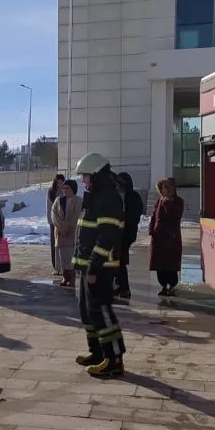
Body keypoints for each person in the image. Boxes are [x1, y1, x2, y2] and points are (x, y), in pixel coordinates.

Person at [72, 152, 126, 377]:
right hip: (88, 266)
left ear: (95, 174)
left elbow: (107, 237)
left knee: (102, 311)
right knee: (88, 311)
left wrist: (93, 267)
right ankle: (97, 352)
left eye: (85, 176)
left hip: (100, 268)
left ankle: (113, 359)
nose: (83, 181)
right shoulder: (96, 195)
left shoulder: (108, 197)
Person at [149, 177, 185, 296]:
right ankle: (163, 286)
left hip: (171, 239)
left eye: (167, 187)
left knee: (170, 265)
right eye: (163, 187)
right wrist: (151, 230)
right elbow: (154, 216)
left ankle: (172, 285)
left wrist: (167, 202)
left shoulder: (178, 201)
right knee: (160, 264)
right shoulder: (158, 201)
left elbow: (175, 216)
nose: (165, 190)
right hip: (158, 238)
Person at [113, 172, 144, 302]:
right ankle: (120, 286)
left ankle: (123, 288)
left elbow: (135, 215)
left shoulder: (133, 196)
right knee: (118, 260)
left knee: (119, 260)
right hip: (117, 232)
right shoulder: (117, 195)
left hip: (127, 233)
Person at [51, 179, 82, 287]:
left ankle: (72, 278)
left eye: (67, 188)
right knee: (62, 256)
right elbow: (54, 215)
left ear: (73, 189)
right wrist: (61, 226)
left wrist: (67, 227)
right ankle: (65, 277)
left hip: (71, 233)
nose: (64, 190)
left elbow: (77, 216)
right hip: (60, 233)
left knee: (70, 257)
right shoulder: (58, 200)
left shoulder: (78, 201)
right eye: (63, 188)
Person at [45, 174, 66, 275]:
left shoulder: (65, 191)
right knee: (54, 243)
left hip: (64, 221)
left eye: (61, 182)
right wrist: (51, 222)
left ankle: (63, 266)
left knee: (64, 244)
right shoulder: (51, 192)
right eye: (58, 182)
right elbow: (49, 208)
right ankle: (55, 266)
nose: (60, 185)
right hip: (54, 222)